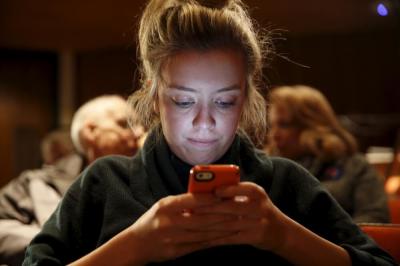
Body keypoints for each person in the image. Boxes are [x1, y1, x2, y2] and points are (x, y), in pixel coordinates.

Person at [24, 1, 395, 265]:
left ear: (247, 98)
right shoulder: (103, 185)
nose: (205, 123)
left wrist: (284, 237)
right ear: (155, 98)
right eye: (184, 102)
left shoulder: (287, 184)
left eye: (224, 102)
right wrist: (133, 246)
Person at [0, 94, 145, 266]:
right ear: (90, 131)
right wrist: (54, 243)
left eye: (139, 124)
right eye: (124, 124)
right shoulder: (35, 183)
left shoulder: (147, 181)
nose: (138, 132)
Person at [265, 85, 390, 224]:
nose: (274, 135)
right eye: (272, 126)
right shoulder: (269, 170)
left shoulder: (355, 167)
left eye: (284, 125)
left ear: (311, 126)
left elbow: (375, 218)